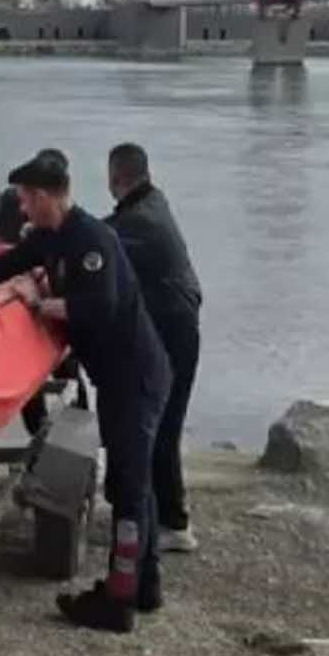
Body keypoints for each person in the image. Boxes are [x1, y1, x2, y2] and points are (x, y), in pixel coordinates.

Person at [0, 152, 171, 632]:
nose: (20, 208)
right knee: (137, 485)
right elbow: (4, 268)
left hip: (135, 378)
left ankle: (117, 602)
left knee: (127, 489)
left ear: (45, 197)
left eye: (25, 199)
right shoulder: (52, 237)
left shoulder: (92, 241)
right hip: (121, 377)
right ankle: (145, 587)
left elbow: (98, 306)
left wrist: (39, 302)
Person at [104, 143, 204, 552]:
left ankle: (173, 523)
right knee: (157, 423)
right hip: (175, 326)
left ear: (117, 178)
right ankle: (154, 512)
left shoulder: (143, 221)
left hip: (174, 333)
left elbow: (100, 240)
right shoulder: (150, 205)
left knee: (161, 425)